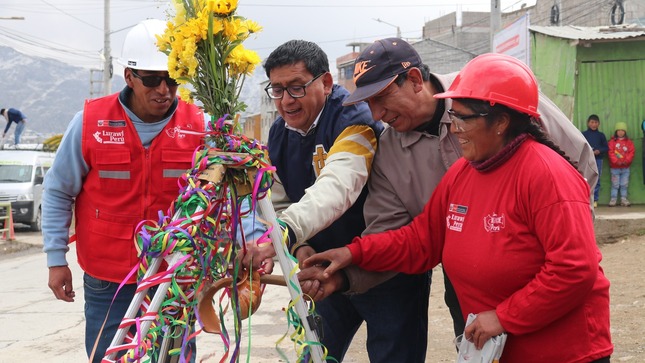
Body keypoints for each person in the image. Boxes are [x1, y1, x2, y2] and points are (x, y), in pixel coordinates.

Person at [304, 53, 613, 363]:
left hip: (564, 351)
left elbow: (574, 269)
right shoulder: (463, 173)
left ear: (501, 122)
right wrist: (352, 255)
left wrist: (505, 317)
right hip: (496, 346)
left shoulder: (547, 174)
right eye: (455, 116)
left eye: (464, 118)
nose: (453, 127)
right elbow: (420, 240)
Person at [243, 40, 430, 362]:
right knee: (314, 354)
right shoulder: (278, 133)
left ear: (326, 83)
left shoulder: (355, 120)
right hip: (323, 270)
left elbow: (338, 186)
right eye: (278, 90)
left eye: (297, 88)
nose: (287, 101)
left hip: (383, 267)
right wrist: (300, 248)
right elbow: (279, 200)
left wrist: (284, 232)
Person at [42, 19, 205, 363]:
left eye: (172, 79)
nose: (164, 90)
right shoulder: (90, 122)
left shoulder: (196, 126)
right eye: (151, 79)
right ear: (129, 77)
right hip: (108, 280)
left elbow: (216, 198)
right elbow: (58, 191)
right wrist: (56, 259)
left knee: (173, 357)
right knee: (110, 357)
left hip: (173, 276)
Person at [582, 114, 608, 207]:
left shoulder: (601, 135)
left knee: (596, 179)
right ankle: (586, 199)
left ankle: (595, 200)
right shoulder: (584, 134)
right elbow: (581, 146)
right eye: (592, 122)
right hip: (587, 160)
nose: (594, 124)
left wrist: (599, 151)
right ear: (588, 123)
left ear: (599, 124)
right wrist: (589, 152)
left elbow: (606, 147)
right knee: (585, 179)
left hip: (598, 160)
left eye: (596, 122)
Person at [608, 121, 634, 206]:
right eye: (618, 130)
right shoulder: (612, 142)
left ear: (625, 132)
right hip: (615, 168)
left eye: (622, 130)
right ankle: (613, 199)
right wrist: (616, 161)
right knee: (615, 184)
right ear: (616, 131)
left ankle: (623, 199)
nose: (620, 132)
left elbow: (631, 152)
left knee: (624, 184)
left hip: (625, 168)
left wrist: (626, 161)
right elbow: (610, 152)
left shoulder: (629, 142)